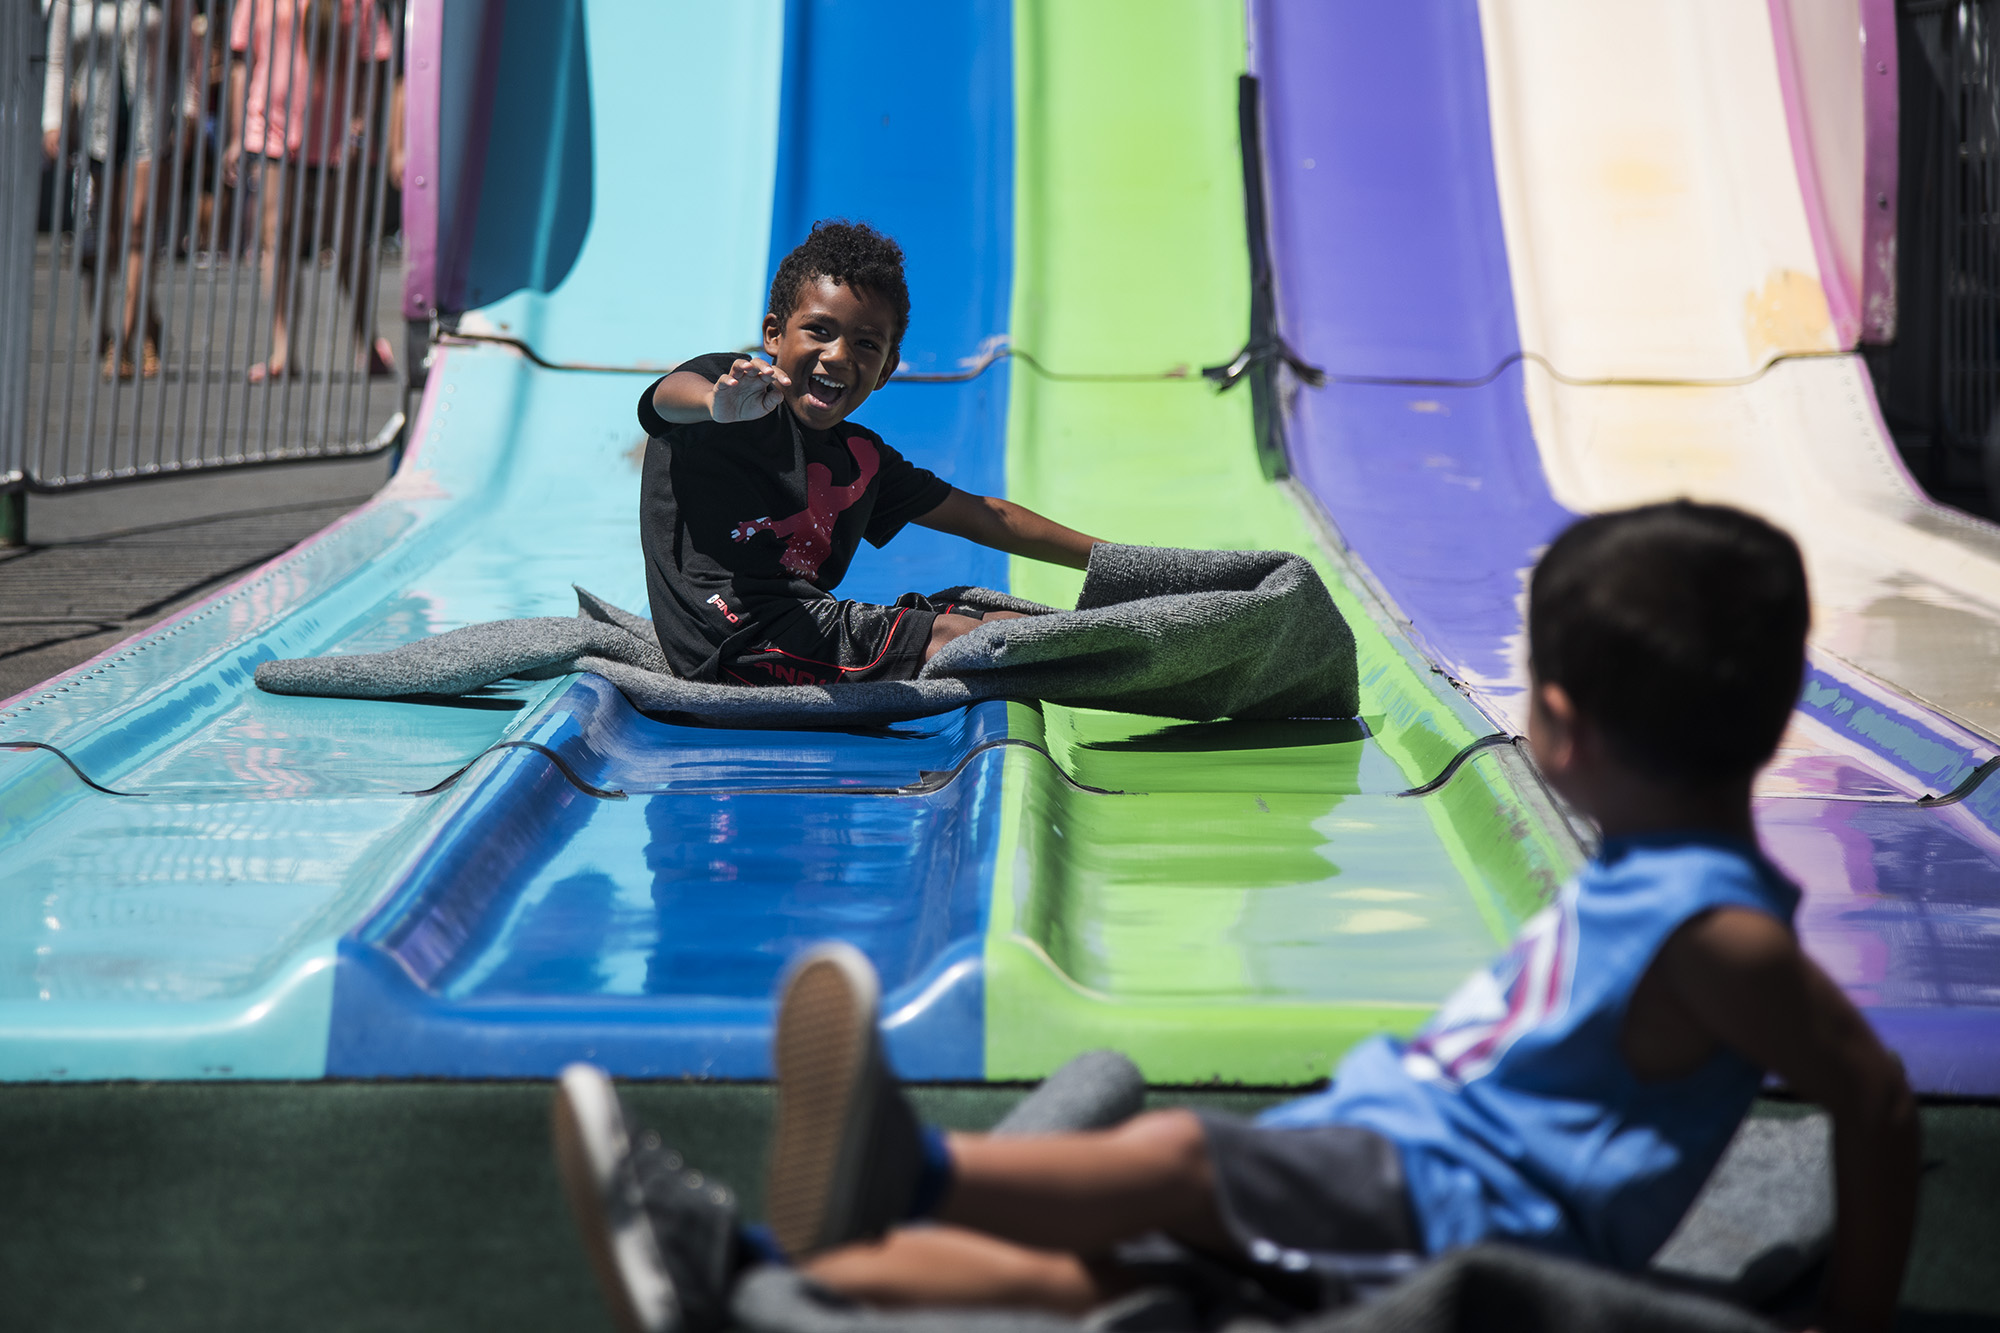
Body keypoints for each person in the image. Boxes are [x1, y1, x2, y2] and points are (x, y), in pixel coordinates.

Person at [553, 501, 1922, 1333]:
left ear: (1562, 726)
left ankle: (912, 1178)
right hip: (1398, 1163)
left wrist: (1853, 1316)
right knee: (1110, 1282)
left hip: (1447, 1204)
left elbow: (1872, 1099)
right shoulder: (1658, 876)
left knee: (1175, 1159)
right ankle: (755, 1280)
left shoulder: (1717, 927)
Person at [640, 220, 1104, 686]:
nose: (838, 355)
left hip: (802, 626)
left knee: (991, 620)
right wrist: (713, 405)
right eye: (819, 330)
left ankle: (1131, 642)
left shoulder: (861, 460)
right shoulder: (735, 398)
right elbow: (666, 397)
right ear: (775, 334)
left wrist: (1112, 560)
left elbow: (987, 517)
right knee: (958, 638)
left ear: (886, 369)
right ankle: (1121, 663)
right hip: (730, 641)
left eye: (865, 344)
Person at [222, 0, 397, 384]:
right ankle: (283, 349)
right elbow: (241, 63)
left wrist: (362, 119)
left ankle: (367, 340)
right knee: (276, 237)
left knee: (349, 242)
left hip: (339, 138)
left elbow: (377, 61)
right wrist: (236, 135)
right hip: (273, 129)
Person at [43, 0, 193, 380]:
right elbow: (58, 60)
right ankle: (145, 321)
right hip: (98, 126)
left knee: (139, 228)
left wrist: (188, 114)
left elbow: (186, 54)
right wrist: (54, 119)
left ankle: (125, 341)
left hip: (151, 121)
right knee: (109, 238)